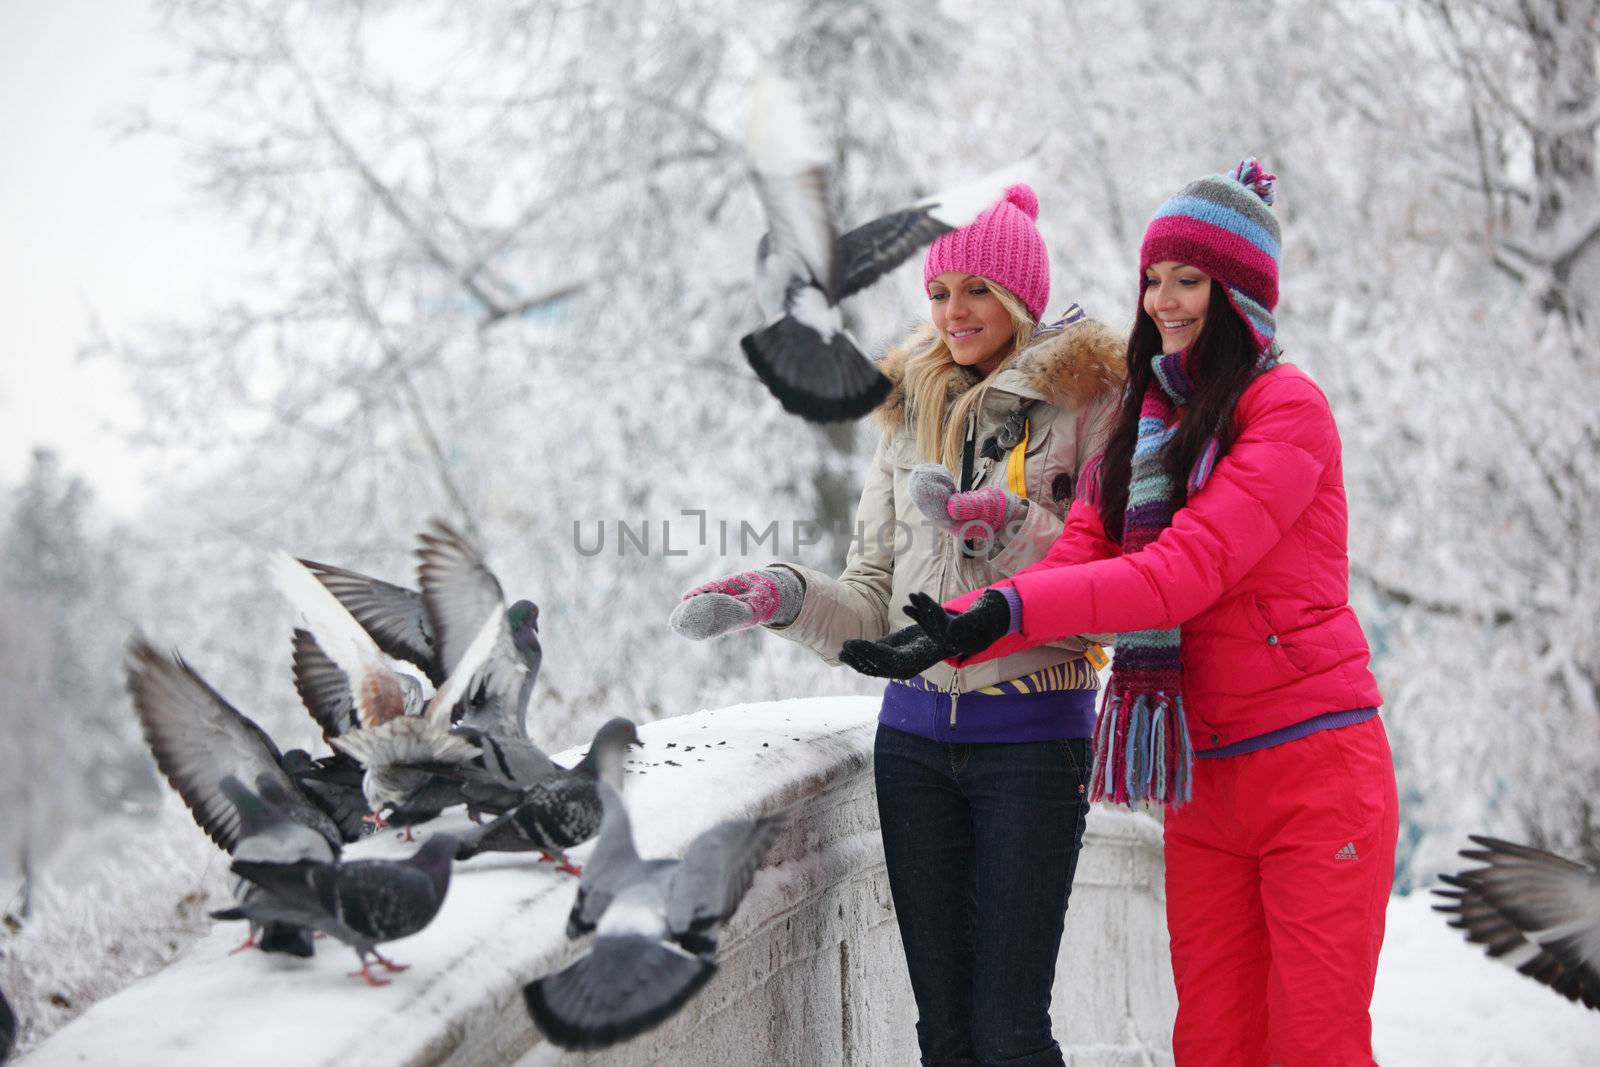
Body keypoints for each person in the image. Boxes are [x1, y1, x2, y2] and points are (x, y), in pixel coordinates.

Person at [840, 160, 1400, 1067]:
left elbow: (1178, 572)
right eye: (1153, 278)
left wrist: (1007, 605)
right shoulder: (1146, 417)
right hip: (1205, 774)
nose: (1164, 301)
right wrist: (963, 623)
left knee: (1313, 1046)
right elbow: (1080, 558)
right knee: (1213, 1044)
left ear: (1243, 295)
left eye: (1190, 280)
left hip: (1313, 767)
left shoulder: (1287, 412)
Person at [671, 184, 1126, 1066]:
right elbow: (875, 600)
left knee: (1010, 1033)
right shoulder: (905, 416)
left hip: (1034, 739)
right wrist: (784, 595)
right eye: (939, 293)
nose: (954, 313)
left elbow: (1101, 568)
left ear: (1022, 297)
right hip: (914, 749)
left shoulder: (1088, 406)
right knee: (946, 1037)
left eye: (977, 291)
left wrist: (995, 521)